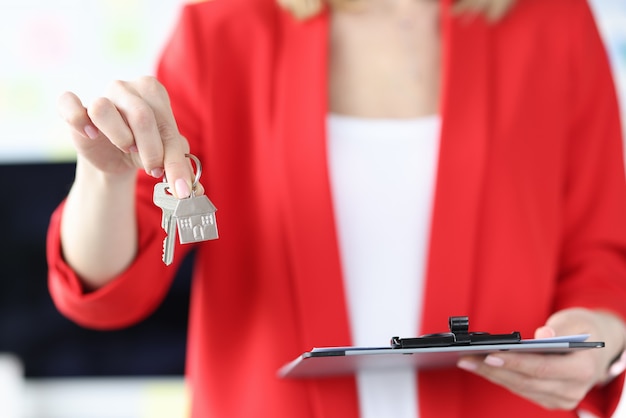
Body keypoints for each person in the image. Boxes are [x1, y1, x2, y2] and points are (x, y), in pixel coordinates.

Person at [47, 0, 626, 416]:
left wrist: (596, 343)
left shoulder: (556, 21)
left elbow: (601, 253)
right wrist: (106, 177)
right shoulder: (221, 28)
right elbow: (108, 292)